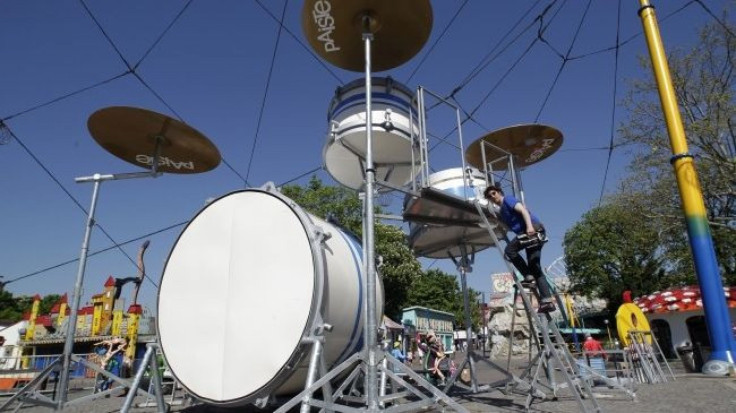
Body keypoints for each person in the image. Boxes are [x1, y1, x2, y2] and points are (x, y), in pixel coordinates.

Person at [483, 184, 555, 313]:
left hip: (532, 229)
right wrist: (495, 220)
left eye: (493, 193)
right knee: (535, 266)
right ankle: (547, 302)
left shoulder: (508, 200)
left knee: (509, 250)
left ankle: (528, 276)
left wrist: (529, 227)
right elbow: (509, 226)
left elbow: (523, 211)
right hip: (529, 233)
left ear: (499, 192)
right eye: (489, 197)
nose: (492, 197)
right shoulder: (502, 211)